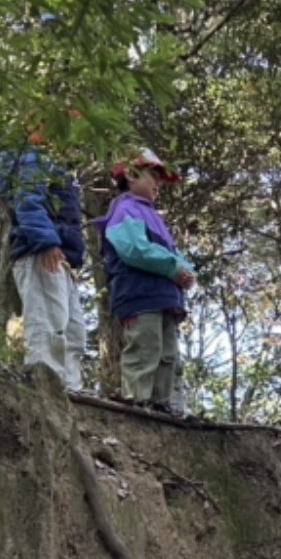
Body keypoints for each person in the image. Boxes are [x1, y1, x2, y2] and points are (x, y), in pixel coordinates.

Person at [93, 149, 194, 408]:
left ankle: (163, 408)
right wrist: (173, 268)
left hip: (165, 298)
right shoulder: (125, 209)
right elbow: (134, 249)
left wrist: (185, 269)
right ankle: (138, 404)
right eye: (153, 176)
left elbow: (174, 253)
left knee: (167, 355)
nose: (158, 183)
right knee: (145, 350)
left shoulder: (153, 216)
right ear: (130, 174)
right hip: (139, 295)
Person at [0, 131, 88, 390]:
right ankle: (46, 392)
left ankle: (70, 391)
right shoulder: (32, 157)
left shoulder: (56, 166)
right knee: (47, 326)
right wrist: (46, 241)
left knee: (73, 333)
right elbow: (27, 201)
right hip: (41, 252)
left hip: (64, 259)